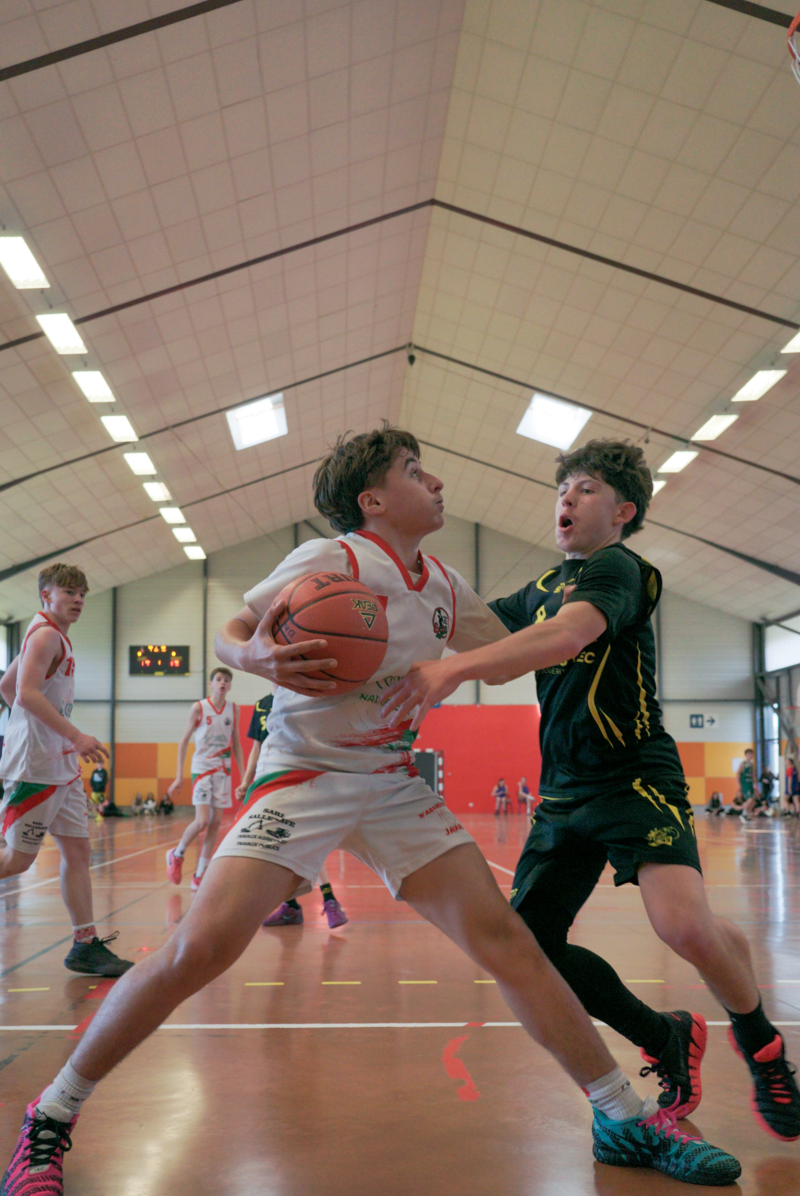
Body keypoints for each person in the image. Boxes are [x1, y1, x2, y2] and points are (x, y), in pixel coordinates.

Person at [2, 427, 741, 1194]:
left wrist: (603, 609)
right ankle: (49, 1116)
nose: (438, 483)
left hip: (391, 781)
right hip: (304, 774)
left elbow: (524, 646)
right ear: (374, 500)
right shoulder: (332, 559)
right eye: (416, 473)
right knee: (199, 949)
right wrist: (252, 655)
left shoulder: (444, 584)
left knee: (512, 943)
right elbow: (235, 631)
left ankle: (620, 1115)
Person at [382, 438, 800, 1145]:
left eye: (585, 488)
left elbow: (567, 636)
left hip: (635, 777)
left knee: (684, 927)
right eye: (562, 489)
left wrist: (452, 672)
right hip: (565, 791)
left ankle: (763, 1048)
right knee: (528, 947)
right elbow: (473, 632)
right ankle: (662, 1035)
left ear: (623, 511)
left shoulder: (620, 570)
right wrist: (396, 593)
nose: (566, 499)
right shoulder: (539, 589)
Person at [0, 564, 133, 979]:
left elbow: (6, 686)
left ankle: (84, 945)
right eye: (69, 592)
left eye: (82, 593)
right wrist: (72, 735)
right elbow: (25, 693)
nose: (77, 599)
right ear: (46, 595)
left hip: (61, 765)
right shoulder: (44, 635)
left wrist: (49, 732)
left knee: (77, 852)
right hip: (35, 767)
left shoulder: (52, 634)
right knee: (16, 861)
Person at [237, 690, 347, 929]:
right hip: (268, 781)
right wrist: (246, 782)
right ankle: (294, 905)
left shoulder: (303, 697)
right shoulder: (262, 704)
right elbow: (256, 747)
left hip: (298, 776)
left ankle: (325, 900)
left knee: (303, 841)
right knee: (275, 843)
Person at [165, 667, 244, 892]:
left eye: (226, 680)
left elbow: (237, 744)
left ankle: (200, 873)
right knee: (202, 821)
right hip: (201, 769)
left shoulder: (233, 709)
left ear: (230, 686)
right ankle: (177, 853)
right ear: (211, 684)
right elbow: (183, 742)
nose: (222, 682)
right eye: (218, 679)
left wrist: (244, 777)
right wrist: (179, 776)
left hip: (223, 770)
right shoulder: (199, 707)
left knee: (215, 822)